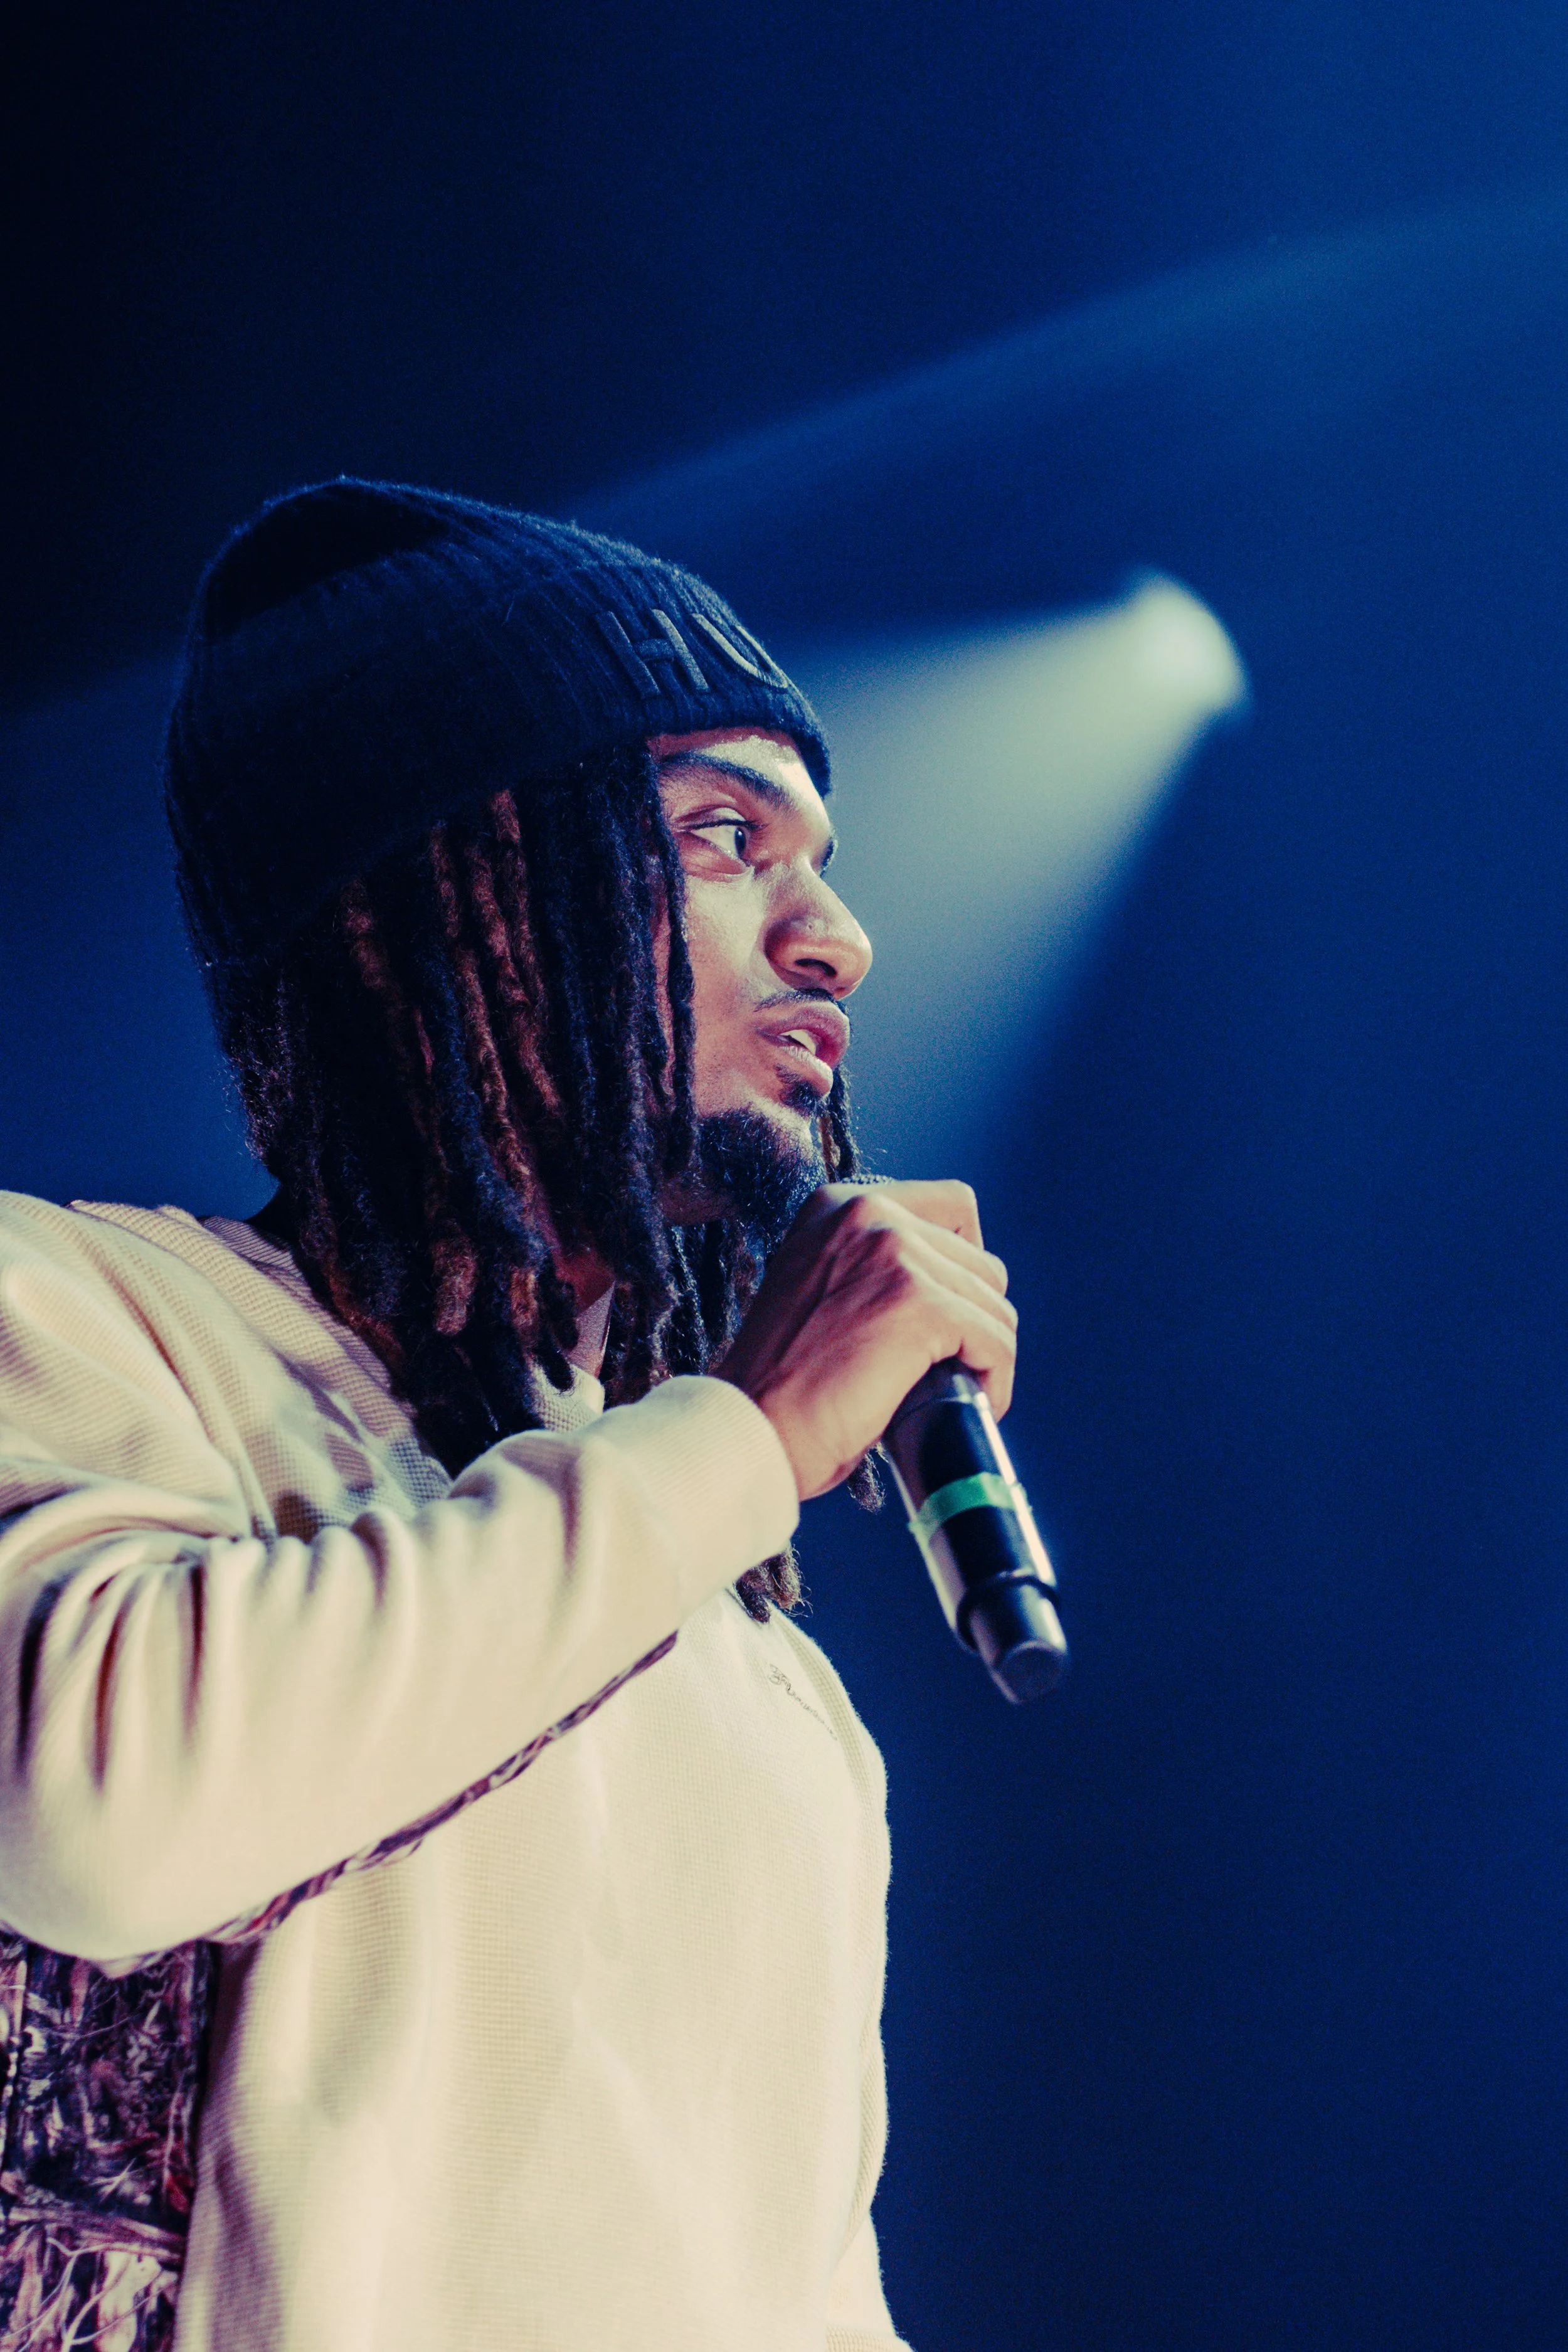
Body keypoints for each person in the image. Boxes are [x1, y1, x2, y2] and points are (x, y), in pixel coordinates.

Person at [0, 480, 1016, 2352]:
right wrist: (746, 1428)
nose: (840, 940)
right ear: (445, 893)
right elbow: (103, 1817)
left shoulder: (740, 1630)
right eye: (724, 835)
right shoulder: (84, 1309)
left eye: (822, 856)